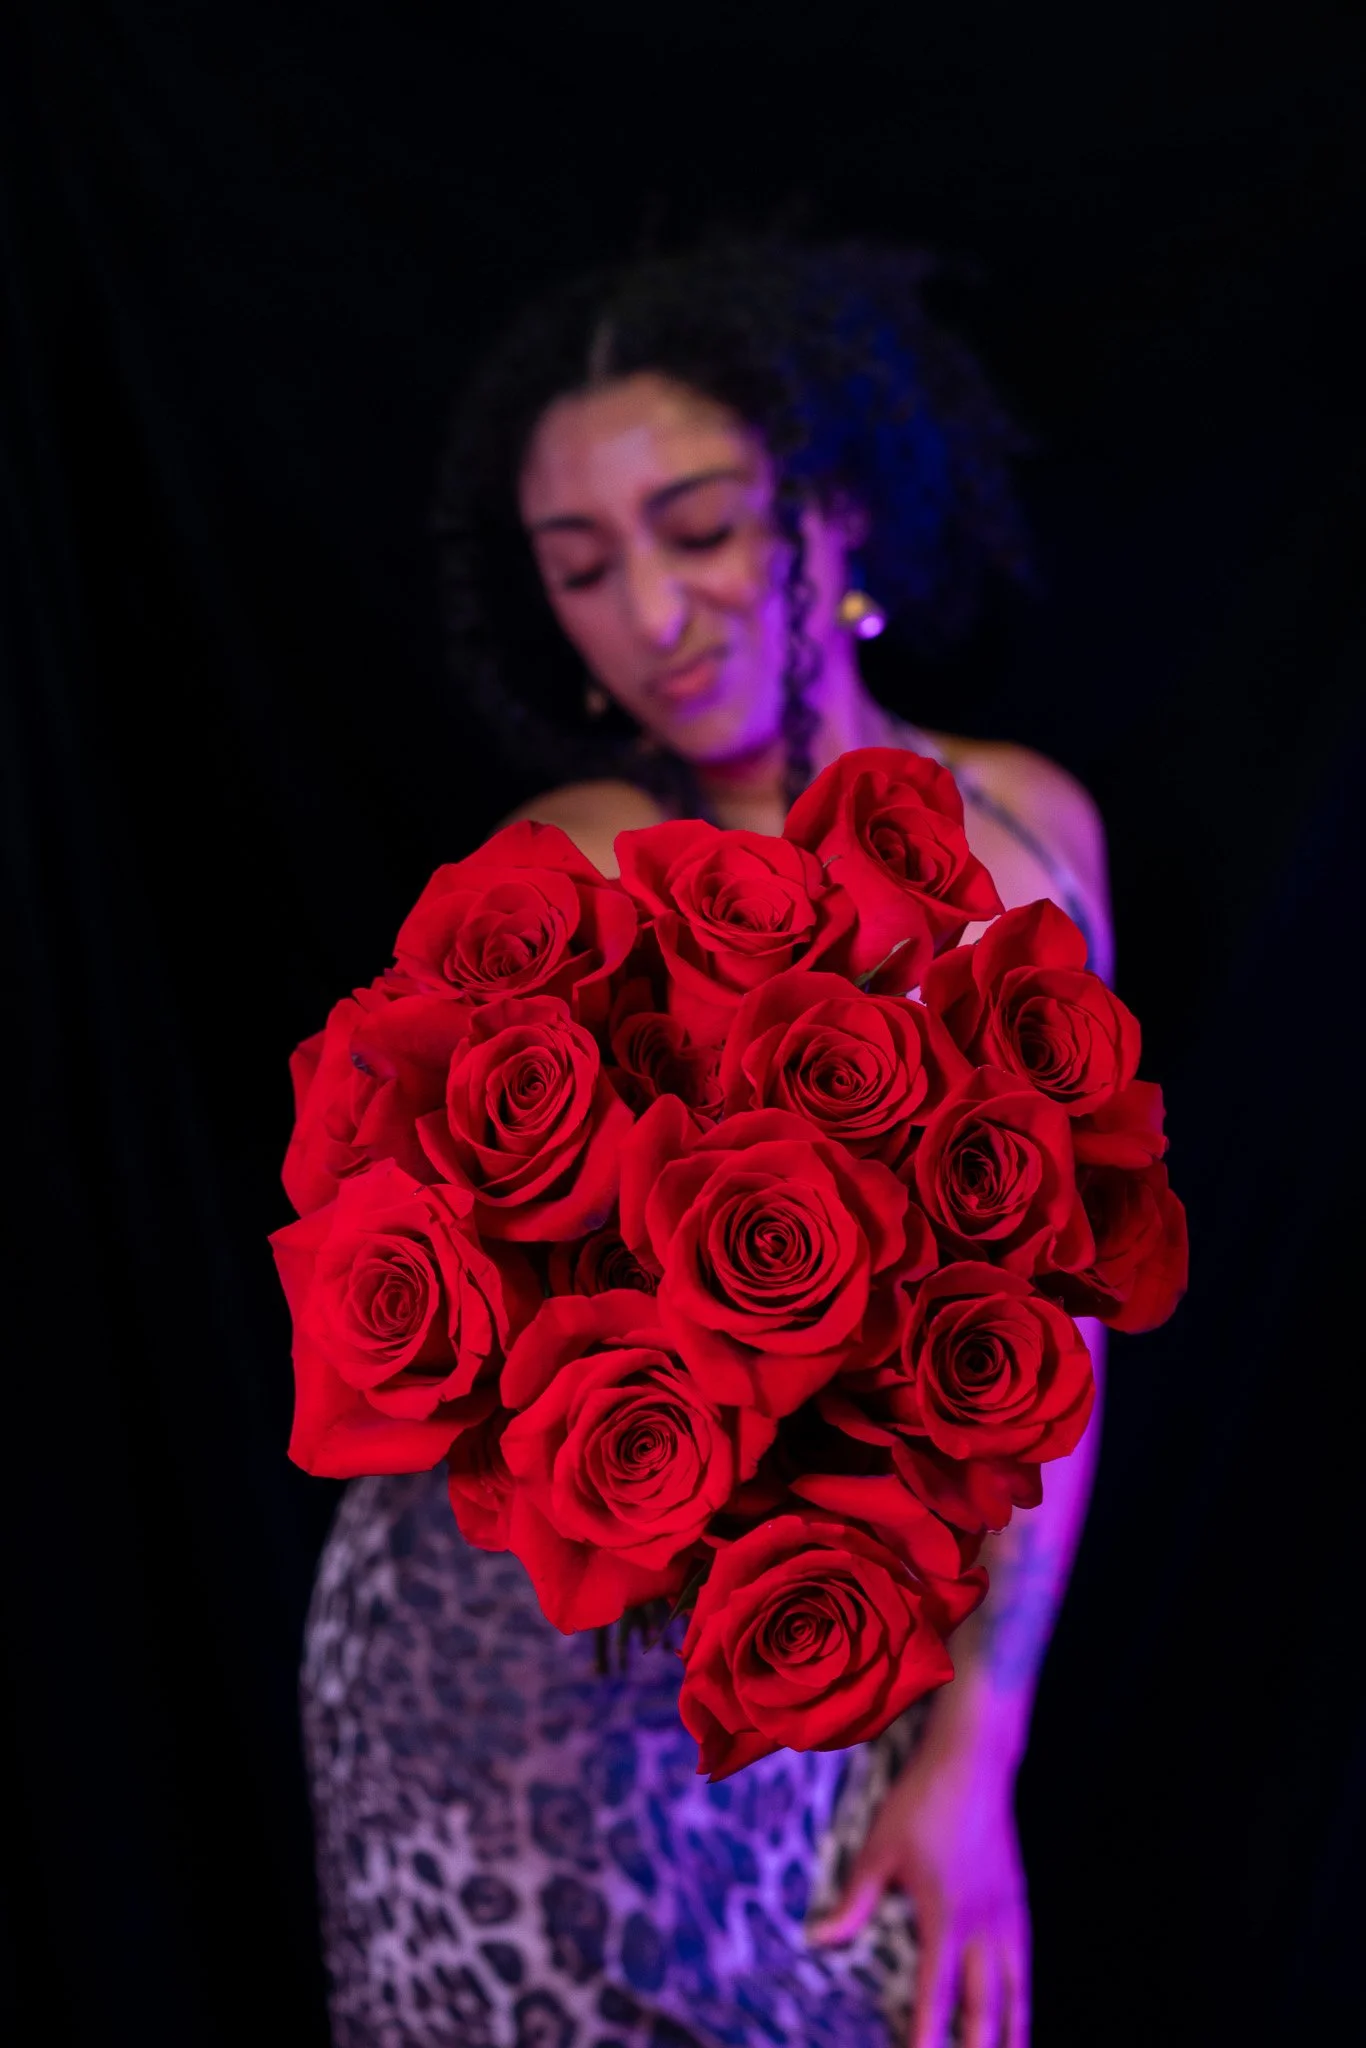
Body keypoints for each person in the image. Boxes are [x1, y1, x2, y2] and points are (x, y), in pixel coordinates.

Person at [302, 238, 1111, 2048]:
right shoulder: (572, 861)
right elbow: (446, 1309)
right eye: (580, 571)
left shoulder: (1029, 830)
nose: (652, 617)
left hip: (844, 1638)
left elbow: (1053, 1335)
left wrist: (979, 1748)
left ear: (833, 511)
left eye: (701, 529)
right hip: (525, 1650)